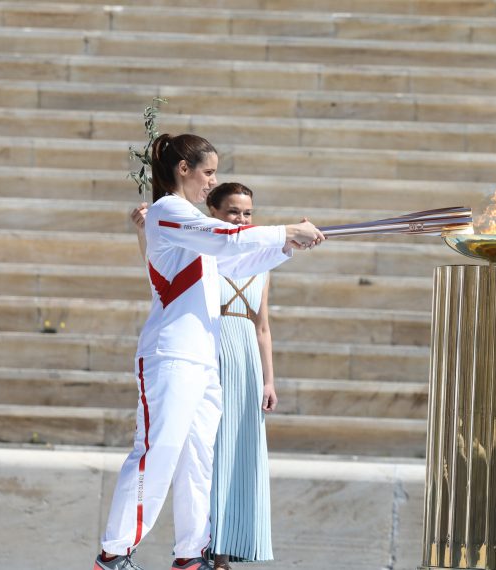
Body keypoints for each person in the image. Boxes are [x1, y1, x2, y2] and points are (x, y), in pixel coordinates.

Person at [94, 133, 325, 570]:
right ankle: (115, 553)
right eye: (209, 172)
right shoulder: (168, 211)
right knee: (157, 452)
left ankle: (189, 555)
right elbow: (227, 241)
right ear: (184, 170)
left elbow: (233, 264)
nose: (212, 182)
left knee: (199, 459)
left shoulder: (191, 225)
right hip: (170, 355)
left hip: (204, 359)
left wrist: (286, 247)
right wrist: (286, 230)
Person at [133, 183, 279, 570]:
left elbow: (262, 326)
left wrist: (268, 379)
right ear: (211, 213)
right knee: (205, 453)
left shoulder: (259, 260)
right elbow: (160, 277)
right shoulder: (203, 250)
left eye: (247, 213)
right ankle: (204, 548)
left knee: (238, 451)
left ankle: (228, 549)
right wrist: (142, 233)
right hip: (208, 349)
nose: (242, 219)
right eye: (233, 212)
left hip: (245, 358)